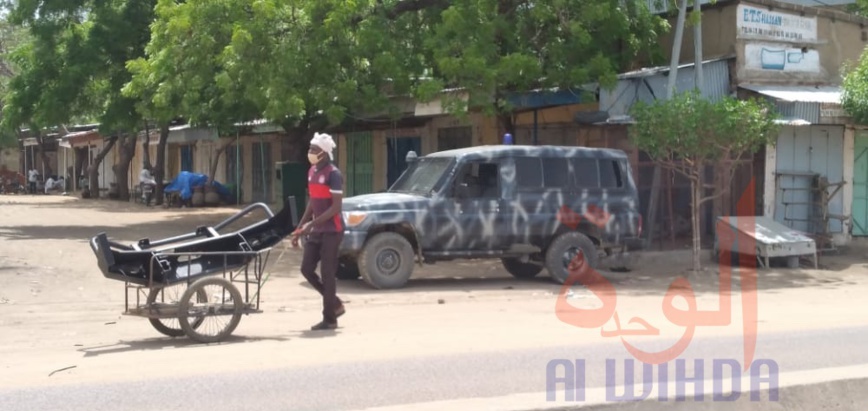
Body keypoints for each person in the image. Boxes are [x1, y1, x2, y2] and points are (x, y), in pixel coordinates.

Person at [291, 132, 346, 331]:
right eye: (310, 149)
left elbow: (335, 208)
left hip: (332, 230)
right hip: (317, 230)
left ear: (324, 153)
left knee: (327, 273)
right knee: (306, 269)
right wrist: (300, 227)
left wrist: (311, 225)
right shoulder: (312, 171)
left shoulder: (334, 174)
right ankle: (335, 303)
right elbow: (313, 203)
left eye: (314, 150)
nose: (310, 152)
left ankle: (329, 319)